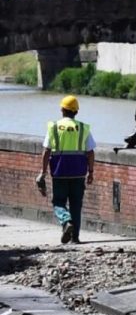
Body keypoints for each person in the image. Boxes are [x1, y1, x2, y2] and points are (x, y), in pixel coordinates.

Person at [38, 95, 94, 244]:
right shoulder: (83, 128)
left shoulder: (54, 127)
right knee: (76, 204)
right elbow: (90, 152)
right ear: (76, 112)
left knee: (58, 202)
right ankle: (75, 237)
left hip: (59, 171)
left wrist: (42, 172)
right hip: (79, 172)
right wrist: (91, 171)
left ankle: (65, 220)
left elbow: (46, 151)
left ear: (62, 109)